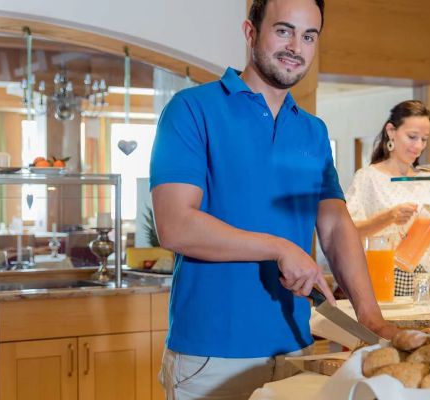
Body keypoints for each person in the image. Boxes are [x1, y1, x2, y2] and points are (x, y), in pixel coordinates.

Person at [149, 0, 397, 398]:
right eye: (284, 31)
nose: (296, 46)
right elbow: (176, 225)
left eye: (309, 36)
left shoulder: (313, 131)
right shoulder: (192, 110)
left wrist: (372, 320)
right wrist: (279, 247)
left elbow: (334, 226)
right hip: (212, 356)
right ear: (251, 33)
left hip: (294, 347)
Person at [345, 100, 430, 296]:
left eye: (424, 139)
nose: (418, 146)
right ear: (391, 131)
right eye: (412, 137)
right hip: (379, 282)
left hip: (424, 287)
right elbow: (346, 233)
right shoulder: (368, 178)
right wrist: (388, 217)